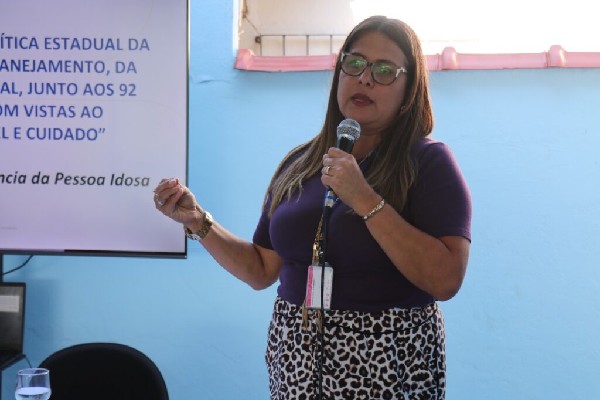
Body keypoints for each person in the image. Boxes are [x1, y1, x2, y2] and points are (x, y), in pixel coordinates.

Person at [153, 15, 471, 400]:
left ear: (409, 91)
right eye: (355, 63)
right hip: (297, 359)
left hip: (384, 360)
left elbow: (446, 279)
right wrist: (198, 221)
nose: (365, 78)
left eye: (385, 71)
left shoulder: (428, 162)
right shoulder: (300, 163)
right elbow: (261, 269)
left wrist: (365, 199)